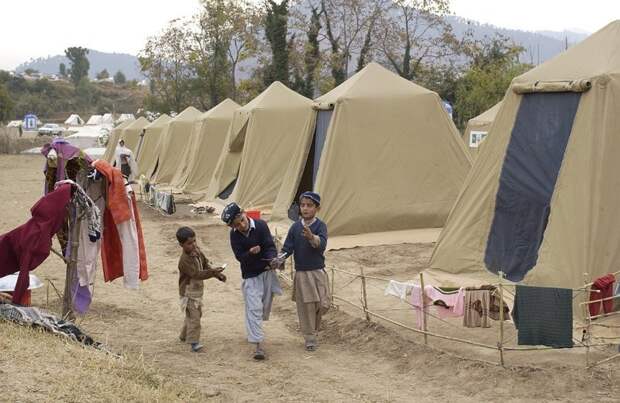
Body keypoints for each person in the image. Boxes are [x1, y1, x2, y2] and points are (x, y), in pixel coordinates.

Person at [222, 202, 282, 360]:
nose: (242, 225)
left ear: (244, 213)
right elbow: (239, 257)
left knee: (262, 307)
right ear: (232, 227)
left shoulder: (261, 226)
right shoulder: (234, 236)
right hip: (250, 275)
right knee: (254, 308)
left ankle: (254, 331)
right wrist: (249, 252)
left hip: (267, 272)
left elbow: (269, 246)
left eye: (242, 220)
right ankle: (258, 346)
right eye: (237, 225)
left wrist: (272, 259)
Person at [278, 191, 330, 351]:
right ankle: (310, 337)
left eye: (309, 205)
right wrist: (280, 258)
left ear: (317, 208)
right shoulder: (295, 227)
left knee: (323, 304)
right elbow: (288, 247)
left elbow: (321, 245)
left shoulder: (320, 226)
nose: (305, 208)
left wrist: (311, 237)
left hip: (318, 272)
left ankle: (313, 329)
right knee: (306, 306)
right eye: (302, 205)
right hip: (302, 273)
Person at [176, 226, 226, 353]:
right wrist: (213, 272)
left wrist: (217, 274)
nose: (193, 245)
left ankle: (183, 335)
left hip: (197, 291)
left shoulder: (197, 252)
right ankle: (194, 342)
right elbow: (197, 274)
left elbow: (205, 264)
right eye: (189, 243)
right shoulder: (184, 261)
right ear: (181, 244)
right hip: (188, 293)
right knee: (195, 317)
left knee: (195, 315)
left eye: (194, 241)